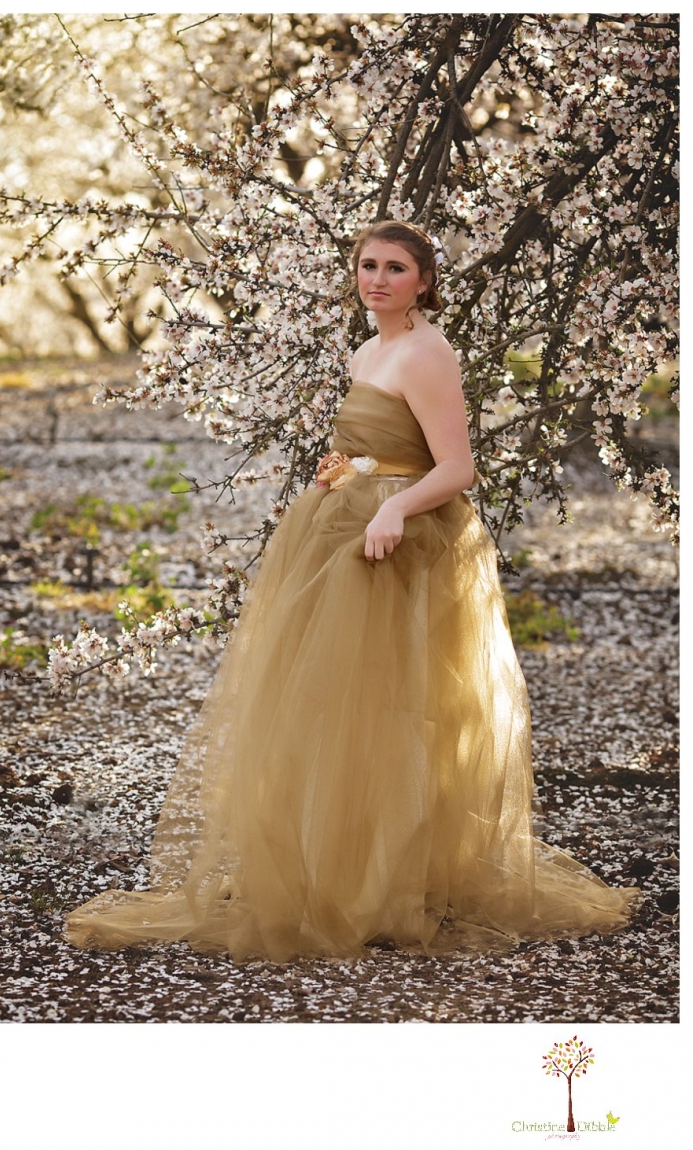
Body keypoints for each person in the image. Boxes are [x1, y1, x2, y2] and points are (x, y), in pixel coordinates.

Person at [66, 220, 642, 963]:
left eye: (395, 268)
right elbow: (387, 444)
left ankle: (394, 884)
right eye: (367, 265)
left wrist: (396, 505)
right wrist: (353, 470)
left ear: (423, 281)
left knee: (399, 709)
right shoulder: (367, 348)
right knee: (334, 707)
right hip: (347, 526)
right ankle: (335, 871)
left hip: (402, 543)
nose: (377, 279)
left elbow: (455, 468)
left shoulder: (430, 352)